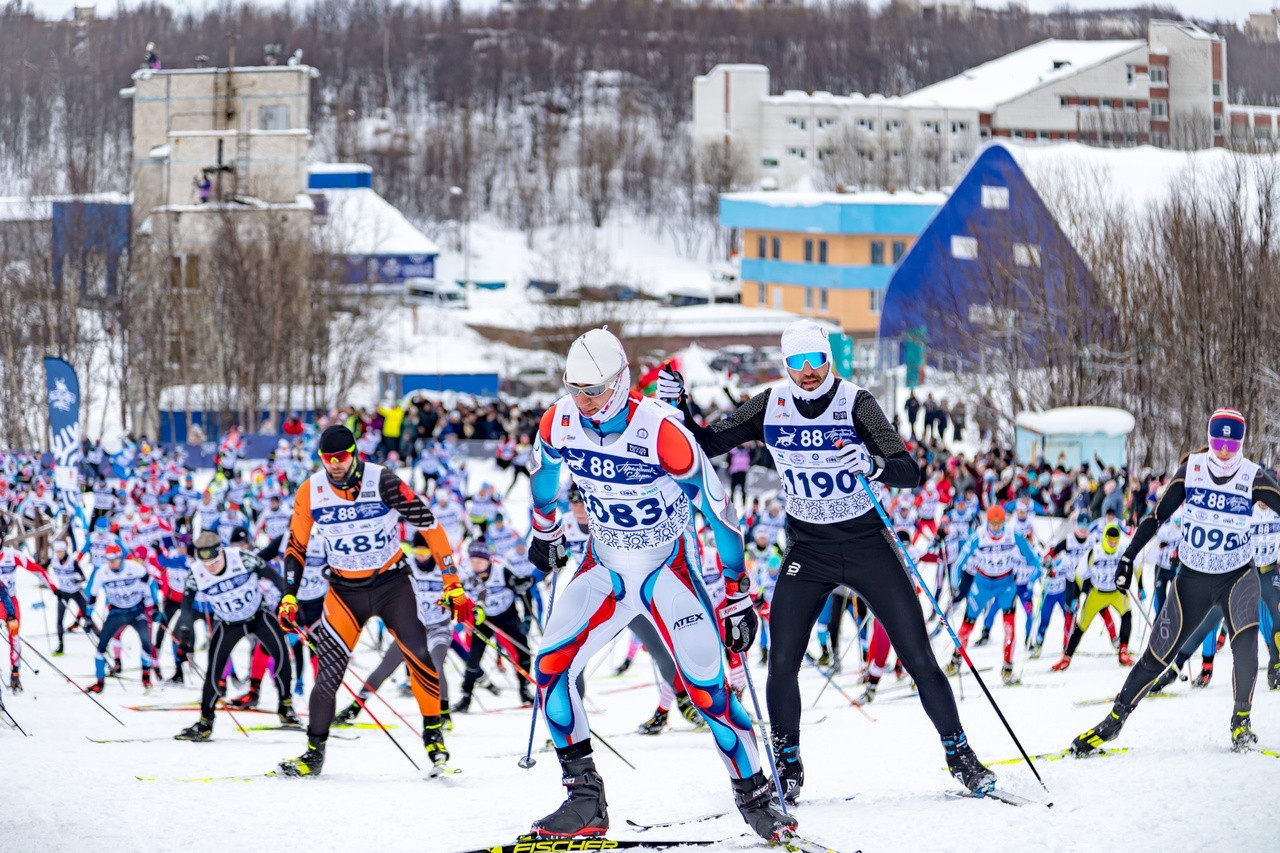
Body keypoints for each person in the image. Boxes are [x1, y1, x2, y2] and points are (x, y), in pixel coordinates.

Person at [660, 319, 997, 801]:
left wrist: (872, 462)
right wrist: (678, 409)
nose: (808, 371)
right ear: (786, 365)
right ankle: (788, 761)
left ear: (828, 360)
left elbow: (910, 471)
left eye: (815, 360)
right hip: (808, 550)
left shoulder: (856, 403)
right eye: (797, 363)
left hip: (867, 545)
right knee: (781, 663)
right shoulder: (770, 404)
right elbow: (706, 442)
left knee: (919, 656)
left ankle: (960, 755)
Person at [524, 327, 794, 841]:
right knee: (550, 671)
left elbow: (719, 509)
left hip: (665, 570)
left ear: (621, 380)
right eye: (574, 388)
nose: (583, 401)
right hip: (602, 566)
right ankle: (585, 802)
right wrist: (545, 527)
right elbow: (543, 473)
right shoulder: (560, 419)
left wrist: (738, 594)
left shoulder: (660, 431)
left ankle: (756, 799)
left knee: (707, 692)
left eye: (595, 390)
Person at [1072, 409, 1280, 755]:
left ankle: (1241, 722)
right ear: (1209, 439)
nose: (1225, 449)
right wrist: (1127, 557)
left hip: (1238, 576)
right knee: (1157, 653)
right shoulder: (1193, 471)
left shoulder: (1252, 475)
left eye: (1232, 442)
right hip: (1193, 577)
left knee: (1245, 647)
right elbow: (1156, 517)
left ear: (1242, 442)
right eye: (1218, 440)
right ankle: (1113, 721)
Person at [274, 424, 473, 777]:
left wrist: (452, 582)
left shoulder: (382, 481)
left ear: (354, 453)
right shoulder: (311, 491)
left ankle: (433, 736)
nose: (335, 465)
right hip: (343, 592)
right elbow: (296, 547)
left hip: (391, 584)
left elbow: (430, 525)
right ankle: (313, 753)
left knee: (418, 654)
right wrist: (289, 595)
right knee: (329, 673)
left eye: (342, 457)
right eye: (327, 459)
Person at [174, 533, 300, 740]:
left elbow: (275, 577)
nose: (211, 567)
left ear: (221, 552)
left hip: (258, 615)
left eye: (214, 562)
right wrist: (185, 631)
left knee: (281, 656)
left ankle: (285, 706)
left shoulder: (241, 557)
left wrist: (288, 601)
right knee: (213, 672)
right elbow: (186, 606)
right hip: (228, 623)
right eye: (206, 563)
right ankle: (205, 721)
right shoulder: (196, 572)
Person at [948, 505, 1039, 684]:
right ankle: (955, 660)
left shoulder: (1013, 534)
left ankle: (1007, 667)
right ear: (988, 521)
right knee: (968, 624)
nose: (996, 527)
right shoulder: (979, 535)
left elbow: (1033, 559)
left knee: (1009, 627)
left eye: (999, 523)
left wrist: (1037, 572)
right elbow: (959, 563)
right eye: (993, 523)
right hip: (981, 585)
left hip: (1006, 585)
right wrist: (954, 585)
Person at [1049, 523, 1134, 670]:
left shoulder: (1122, 550)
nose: (1113, 544)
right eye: (1110, 540)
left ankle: (1123, 652)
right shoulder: (1095, 551)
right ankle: (1066, 657)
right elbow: (1079, 574)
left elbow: (1132, 566)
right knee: (1081, 625)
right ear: (1105, 538)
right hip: (1097, 593)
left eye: (1115, 540)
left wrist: (1130, 581)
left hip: (1116, 592)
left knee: (1127, 615)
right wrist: (1077, 596)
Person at [82, 542, 156, 693]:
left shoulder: (134, 567)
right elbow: (93, 595)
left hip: (136, 611)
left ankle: (146, 678)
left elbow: (151, 584)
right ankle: (100, 682)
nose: (112, 564)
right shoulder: (103, 572)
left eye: (115, 560)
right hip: (116, 612)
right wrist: (88, 616)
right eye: (109, 561)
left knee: (146, 643)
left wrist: (155, 607)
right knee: (101, 647)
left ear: (121, 558)